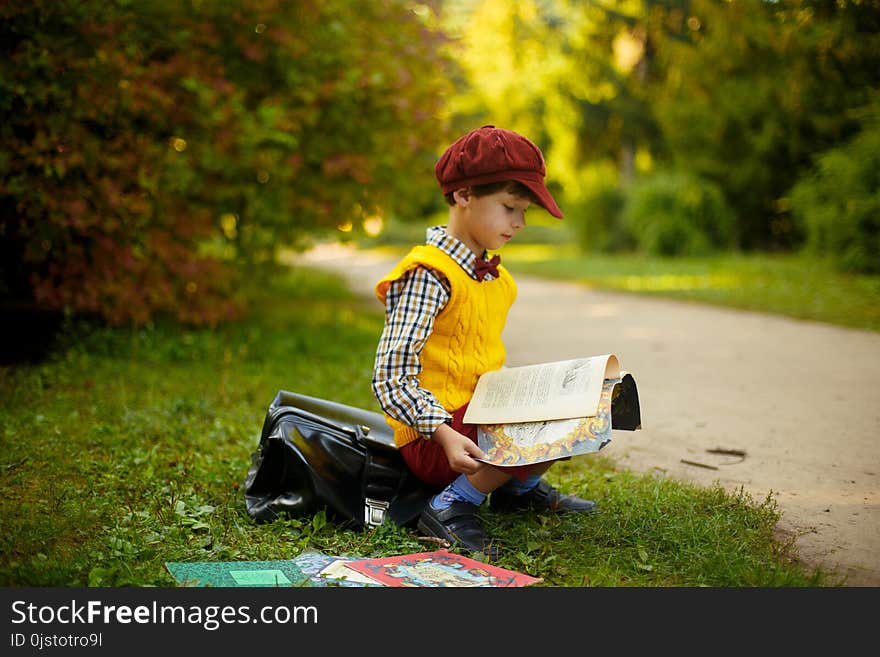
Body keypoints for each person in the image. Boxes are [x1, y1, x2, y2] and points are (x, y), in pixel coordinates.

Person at [372, 125, 596, 558]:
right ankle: (451, 504)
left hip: (478, 415)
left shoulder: (496, 278)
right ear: (464, 195)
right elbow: (391, 377)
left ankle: (518, 490)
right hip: (436, 439)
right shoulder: (429, 274)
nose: (520, 223)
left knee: (584, 399)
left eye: (524, 211)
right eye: (510, 207)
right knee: (541, 420)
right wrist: (441, 433)